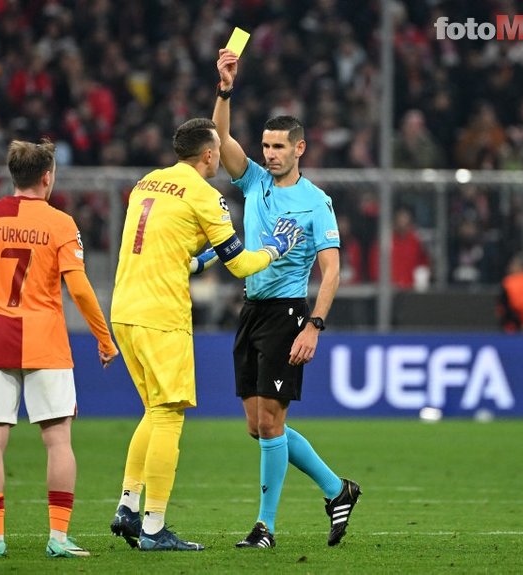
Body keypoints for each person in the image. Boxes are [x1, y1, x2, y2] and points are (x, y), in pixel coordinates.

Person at [109, 117, 304, 552]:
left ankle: (127, 505)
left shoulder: (148, 183)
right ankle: (154, 527)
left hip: (125, 309)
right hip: (161, 315)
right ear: (209, 154)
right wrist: (276, 248)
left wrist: (209, 257)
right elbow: (241, 265)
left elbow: (177, 253)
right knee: (168, 414)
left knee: (152, 409)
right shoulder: (206, 195)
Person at [213, 48, 361, 549]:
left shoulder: (316, 202)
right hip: (251, 309)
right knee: (258, 427)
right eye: (267, 146)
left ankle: (265, 527)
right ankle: (337, 489)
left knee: (272, 422)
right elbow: (223, 138)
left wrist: (313, 326)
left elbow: (333, 269)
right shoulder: (254, 180)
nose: (269, 154)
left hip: (288, 313)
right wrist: (225, 88)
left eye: (279, 147)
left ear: (300, 149)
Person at [0, 139, 119, 559]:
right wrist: (103, 335)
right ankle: (58, 538)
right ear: (47, 177)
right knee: (58, 442)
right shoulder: (61, 224)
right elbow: (78, 287)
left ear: (13, 175)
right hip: (46, 342)